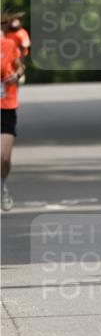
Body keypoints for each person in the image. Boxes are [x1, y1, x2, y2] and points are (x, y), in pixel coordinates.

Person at [1, 27, 25, 212]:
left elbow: (19, 66)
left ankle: (2, 186)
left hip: (6, 106)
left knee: (4, 156)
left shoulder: (8, 45)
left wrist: (16, 75)